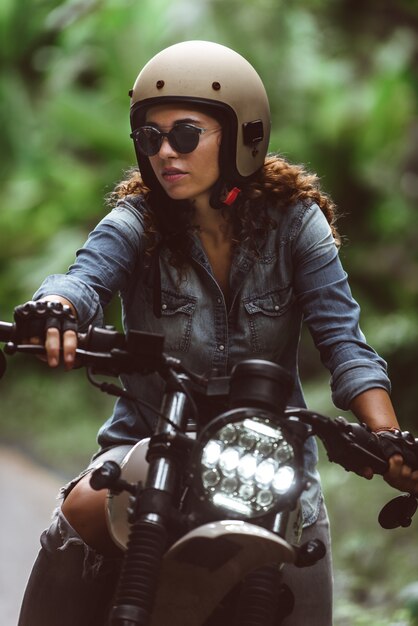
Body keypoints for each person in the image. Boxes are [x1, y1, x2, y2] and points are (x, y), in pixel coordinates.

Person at [17, 40, 418, 626]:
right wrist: (55, 308)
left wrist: (388, 439)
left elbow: (344, 341)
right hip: (152, 448)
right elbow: (83, 279)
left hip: (271, 460)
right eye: (149, 138)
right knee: (81, 513)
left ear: (241, 137)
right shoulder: (136, 220)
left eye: (183, 134)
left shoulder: (296, 224)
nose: (164, 153)